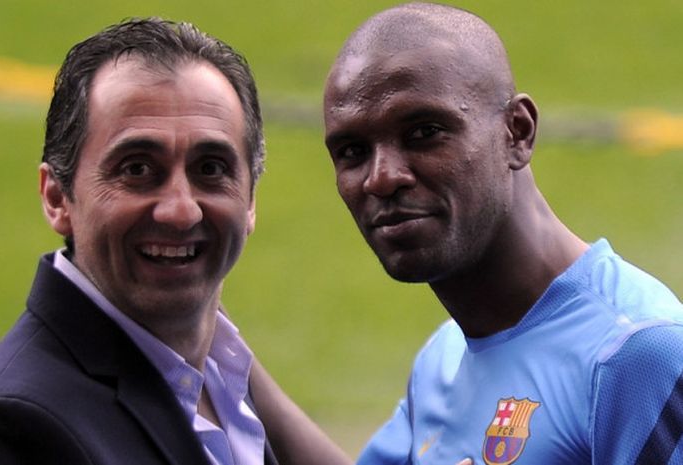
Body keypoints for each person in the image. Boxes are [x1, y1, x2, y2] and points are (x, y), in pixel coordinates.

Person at [252, 2, 683, 465]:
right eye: (353, 151)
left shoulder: (635, 357)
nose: (381, 177)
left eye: (424, 132)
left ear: (517, 132)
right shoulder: (443, 358)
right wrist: (215, 341)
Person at [0, 18, 348, 465]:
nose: (181, 210)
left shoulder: (224, 376)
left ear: (251, 198)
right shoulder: (13, 427)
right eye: (137, 169)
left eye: (211, 169)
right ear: (57, 197)